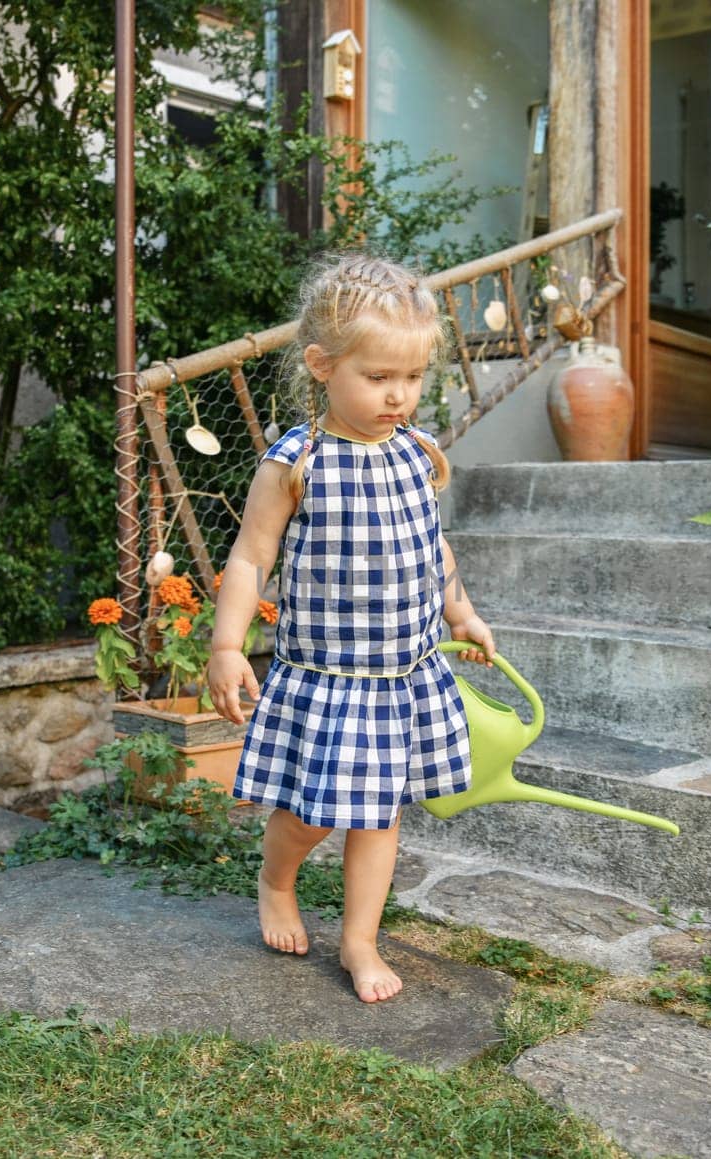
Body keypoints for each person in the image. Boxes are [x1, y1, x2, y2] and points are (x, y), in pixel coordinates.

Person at [206, 254, 496, 1004]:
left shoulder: (418, 453)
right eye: (378, 378)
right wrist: (227, 644)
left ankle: (360, 940)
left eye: (412, 378)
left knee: (379, 817)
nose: (399, 395)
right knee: (307, 813)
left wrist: (460, 610)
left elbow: (434, 551)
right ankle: (277, 879)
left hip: (400, 676)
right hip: (327, 678)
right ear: (322, 366)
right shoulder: (295, 462)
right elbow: (250, 557)